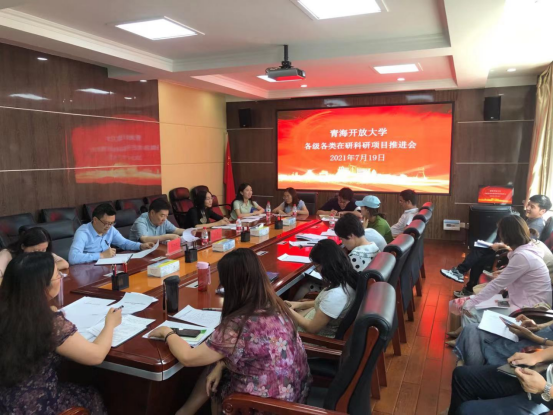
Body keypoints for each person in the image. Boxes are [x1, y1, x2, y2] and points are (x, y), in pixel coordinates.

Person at [148, 249, 311, 415]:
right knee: (215, 363)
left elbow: (188, 358)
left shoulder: (238, 325)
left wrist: (167, 333)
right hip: (294, 397)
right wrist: (221, 365)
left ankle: (184, 412)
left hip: (265, 407)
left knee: (215, 376)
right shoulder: (275, 304)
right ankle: (185, 412)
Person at [0, 252, 122, 414]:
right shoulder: (48, 323)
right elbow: (96, 355)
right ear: (43, 287)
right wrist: (110, 324)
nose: (61, 278)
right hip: (34, 405)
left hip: (4, 400)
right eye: (58, 275)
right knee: (92, 395)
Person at [456, 216, 551, 327]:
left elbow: (497, 284)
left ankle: (470, 336)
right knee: (474, 302)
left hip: (529, 309)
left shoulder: (522, 256)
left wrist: (470, 303)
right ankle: (466, 333)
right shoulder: (528, 249)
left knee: (471, 310)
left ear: (505, 235)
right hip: (522, 301)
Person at [285, 239, 358, 338]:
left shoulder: (336, 295)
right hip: (312, 317)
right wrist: (298, 304)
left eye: (316, 266)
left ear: (325, 265)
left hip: (311, 338)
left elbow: (312, 328)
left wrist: (288, 311)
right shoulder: (346, 278)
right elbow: (325, 305)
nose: (317, 270)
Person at [448, 348, 553, 414]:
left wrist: (546, 388)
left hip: (548, 397)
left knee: (466, 411)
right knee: (462, 375)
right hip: (544, 374)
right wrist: (535, 357)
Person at [69, 203, 154, 265]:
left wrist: (140, 246)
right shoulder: (83, 233)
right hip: (87, 270)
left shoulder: (110, 229)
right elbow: (73, 258)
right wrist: (101, 255)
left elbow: (124, 243)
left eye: (112, 223)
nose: (109, 227)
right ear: (95, 220)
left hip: (106, 267)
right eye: (106, 223)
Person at [454, 315, 553, 367]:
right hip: (538, 334)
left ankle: (472, 373)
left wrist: (534, 338)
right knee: (472, 329)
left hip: (541, 347)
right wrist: (539, 326)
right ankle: (472, 370)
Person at [0, 227, 69, 281]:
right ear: (23, 246)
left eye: (44, 249)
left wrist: (42, 270)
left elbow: (64, 263)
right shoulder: (7, 254)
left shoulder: (42, 251)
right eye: (35, 251)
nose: (40, 254)